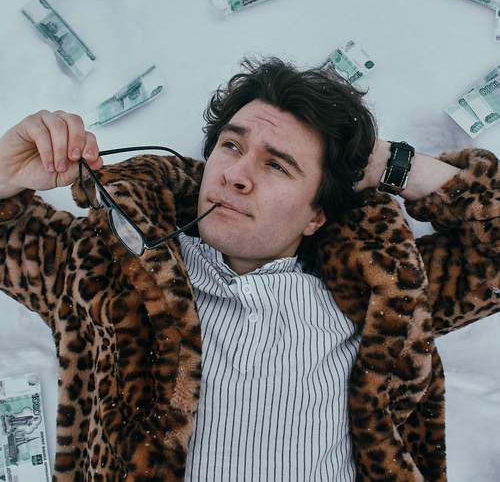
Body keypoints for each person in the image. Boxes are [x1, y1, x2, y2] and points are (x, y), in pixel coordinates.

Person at [0, 58, 498, 482]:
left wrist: (389, 164)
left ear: (316, 215)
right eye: (232, 146)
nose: (236, 175)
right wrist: (5, 172)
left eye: (277, 165)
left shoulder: (382, 292)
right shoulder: (108, 265)